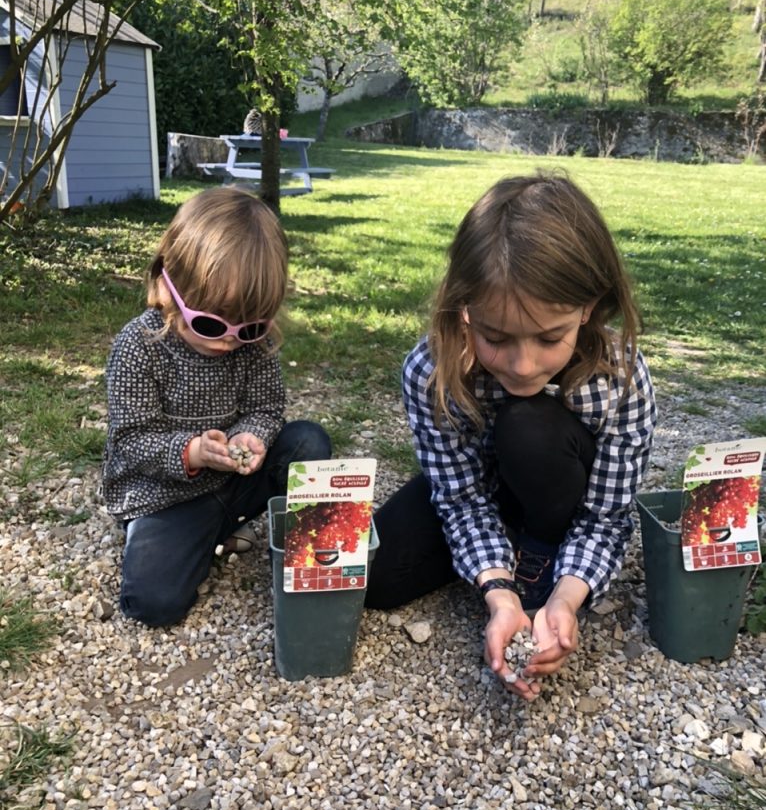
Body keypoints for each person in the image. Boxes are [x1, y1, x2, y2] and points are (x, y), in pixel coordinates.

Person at [365, 172, 656, 701]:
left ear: (588, 307)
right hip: (486, 494)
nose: (523, 365)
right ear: (464, 309)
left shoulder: (622, 377)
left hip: (562, 494)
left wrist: (566, 599)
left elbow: (606, 516)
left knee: (528, 425)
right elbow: (459, 498)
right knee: (377, 577)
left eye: (549, 338)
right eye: (495, 337)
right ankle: (510, 562)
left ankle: (542, 559)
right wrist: (499, 591)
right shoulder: (429, 370)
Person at [102, 186, 331, 627]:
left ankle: (296, 557)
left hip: (234, 482)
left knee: (308, 442)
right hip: (164, 498)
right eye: (210, 323)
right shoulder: (139, 346)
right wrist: (191, 452)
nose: (229, 339)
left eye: (249, 327)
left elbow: (266, 408)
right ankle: (196, 535)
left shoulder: (253, 345)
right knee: (154, 603)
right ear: (168, 288)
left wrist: (252, 436)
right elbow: (130, 441)